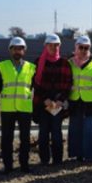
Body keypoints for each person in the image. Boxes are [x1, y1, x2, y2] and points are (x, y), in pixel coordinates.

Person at [0, 37, 36, 174]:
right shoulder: (1, 66)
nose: (17, 51)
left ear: (24, 50)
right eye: (15, 48)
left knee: (25, 138)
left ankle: (24, 164)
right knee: (7, 138)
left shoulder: (31, 67)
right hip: (8, 108)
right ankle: (8, 166)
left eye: (20, 48)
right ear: (10, 50)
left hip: (24, 107)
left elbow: (32, 86)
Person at [33, 34, 73, 165]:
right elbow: (35, 83)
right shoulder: (39, 62)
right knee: (43, 133)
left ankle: (57, 159)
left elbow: (68, 84)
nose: (53, 47)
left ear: (59, 46)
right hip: (43, 104)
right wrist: (45, 99)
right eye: (50, 45)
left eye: (56, 45)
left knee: (56, 133)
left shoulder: (65, 63)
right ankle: (44, 159)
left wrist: (61, 100)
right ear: (46, 46)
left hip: (57, 105)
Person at [68, 35, 92, 163]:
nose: (83, 50)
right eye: (81, 47)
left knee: (90, 129)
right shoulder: (69, 63)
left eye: (86, 48)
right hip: (75, 100)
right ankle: (77, 154)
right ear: (76, 47)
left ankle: (91, 155)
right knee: (75, 128)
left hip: (91, 102)